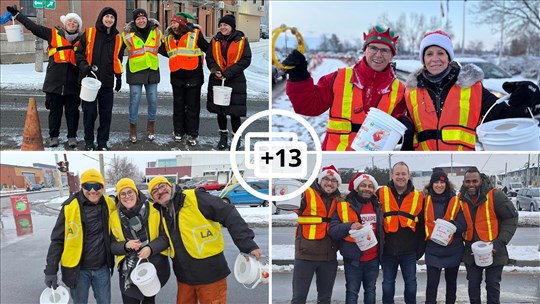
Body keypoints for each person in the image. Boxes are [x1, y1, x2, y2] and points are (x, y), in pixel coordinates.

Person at [402, 30, 540, 151]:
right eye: (429, 54)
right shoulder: (411, 91)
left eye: (441, 53)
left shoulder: (472, 87)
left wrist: (530, 102)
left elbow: (504, 116)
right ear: (423, 59)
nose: (435, 59)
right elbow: (407, 132)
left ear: (448, 57)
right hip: (426, 160)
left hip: (462, 160)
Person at [282, 26, 407, 151]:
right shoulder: (338, 78)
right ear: (365, 50)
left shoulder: (399, 90)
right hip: (334, 160)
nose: (378, 54)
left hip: (371, 162)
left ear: (391, 56)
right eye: (373, 48)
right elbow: (308, 106)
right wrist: (299, 77)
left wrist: (404, 132)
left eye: (385, 50)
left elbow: (396, 131)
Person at [147, 176, 262, 303]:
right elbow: (164, 238)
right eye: (154, 191)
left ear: (170, 185)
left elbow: (228, 213)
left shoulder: (195, 197)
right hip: (184, 277)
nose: (160, 191)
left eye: (162, 186)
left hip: (211, 275)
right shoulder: (161, 212)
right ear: (153, 198)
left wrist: (247, 244)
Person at [6, 5, 81, 148]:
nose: (72, 23)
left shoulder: (83, 39)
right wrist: (17, 15)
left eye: (75, 22)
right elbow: (33, 27)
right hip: (54, 82)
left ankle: (72, 137)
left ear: (78, 26)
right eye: (70, 21)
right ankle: (53, 137)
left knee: (73, 112)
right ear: (65, 24)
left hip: (73, 83)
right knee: (55, 112)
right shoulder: (52, 34)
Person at [43, 169, 116, 303]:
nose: (93, 191)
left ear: (102, 187)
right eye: (88, 186)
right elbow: (57, 240)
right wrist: (51, 270)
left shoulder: (109, 204)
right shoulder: (69, 207)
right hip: (78, 271)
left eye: (97, 186)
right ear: (82, 187)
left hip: (102, 268)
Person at [459, 167, 518, 304]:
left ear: (481, 180)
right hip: (471, 252)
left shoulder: (495, 195)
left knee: (492, 287)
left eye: (475, 181)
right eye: (468, 181)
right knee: (473, 287)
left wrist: (499, 243)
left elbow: (511, 218)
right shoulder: (460, 199)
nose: (471, 184)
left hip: (494, 250)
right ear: (464, 182)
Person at [110, 178, 170, 304]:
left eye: (130, 192)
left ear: (136, 193)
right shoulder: (114, 217)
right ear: (119, 197)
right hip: (128, 271)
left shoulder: (154, 210)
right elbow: (111, 246)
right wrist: (125, 246)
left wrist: (150, 248)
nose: (127, 196)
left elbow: (165, 238)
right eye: (123, 193)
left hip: (153, 266)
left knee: (149, 299)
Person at [329, 173, 384, 304]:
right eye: (363, 185)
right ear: (357, 188)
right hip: (354, 260)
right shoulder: (345, 206)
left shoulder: (378, 206)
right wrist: (350, 225)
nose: (367, 188)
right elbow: (333, 231)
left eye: (370, 186)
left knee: (371, 291)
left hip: (373, 259)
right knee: (352, 293)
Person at [291, 165, 342, 304]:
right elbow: (287, 202)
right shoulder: (306, 193)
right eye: (326, 179)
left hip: (329, 258)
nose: (329, 183)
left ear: (338, 184)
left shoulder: (341, 199)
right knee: (298, 299)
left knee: (325, 299)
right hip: (305, 255)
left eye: (333, 180)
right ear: (319, 180)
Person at [376, 161, 424, 304]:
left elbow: (421, 225)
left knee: (411, 285)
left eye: (403, 174)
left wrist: (420, 249)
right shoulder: (380, 193)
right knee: (387, 285)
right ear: (392, 175)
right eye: (397, 174)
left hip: (409, 251)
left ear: (409, 176)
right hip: (388, 251)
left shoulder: (418, 196)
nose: (400, 177)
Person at [75, 7, 123, 151]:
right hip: (89, 80)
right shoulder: (90, 33)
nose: (109, 19)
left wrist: (119, 76)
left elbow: (118, 60)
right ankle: (89, 141)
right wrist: (83, 65)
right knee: (89, 113)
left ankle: (102, 142)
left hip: (107, 82)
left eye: (112, 18)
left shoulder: (117, 38)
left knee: (106, 113)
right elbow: (79, 53)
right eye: (107, 16)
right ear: (101, 17)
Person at [159, 12, 208, 146]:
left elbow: (207, 49)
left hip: (194, 77)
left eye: (174, 22)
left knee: (192, 107)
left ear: (182, 23)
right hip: (177, 77)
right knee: (178, 106)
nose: (172, 25)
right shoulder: (168, 38)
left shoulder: (195, 34)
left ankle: (192, 133)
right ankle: (178, 132)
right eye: (171, 22)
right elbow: (164, 50)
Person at [206, 14, 252, 150]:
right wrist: (215, 70)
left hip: (235, 80)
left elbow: (246, 60)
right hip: (217, 79)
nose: (222, 27)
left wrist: (228, 73)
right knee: (220, 111)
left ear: (232, 27)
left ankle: (236, 138)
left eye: (225, 25)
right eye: (220, 25)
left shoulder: (242, 40)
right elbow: (209, 57)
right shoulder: (215, 40)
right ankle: (223, 137)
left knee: (234, 111)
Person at [422, 170, 466, 304]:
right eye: (436, 182)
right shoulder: (424, 200)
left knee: (451, 284)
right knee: (431, 285)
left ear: (447, 184)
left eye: (442, 182)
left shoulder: (456, 200)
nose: (439, 185)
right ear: (431, 184)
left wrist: (452, 225)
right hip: (433, 249)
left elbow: (463, 224)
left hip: (452, 248)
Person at [121, 9, 162, 144]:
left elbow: (165, 46)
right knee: (134, 100)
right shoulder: (127, 34)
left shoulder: (156, 31)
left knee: (153, 100)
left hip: (152, 70)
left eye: (143, 18)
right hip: (136, 70)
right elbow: (118, 50)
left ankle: (151, 127)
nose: (141, 20)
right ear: (134, 20)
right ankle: (133, 128)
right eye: (138, 19)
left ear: (146, 18)